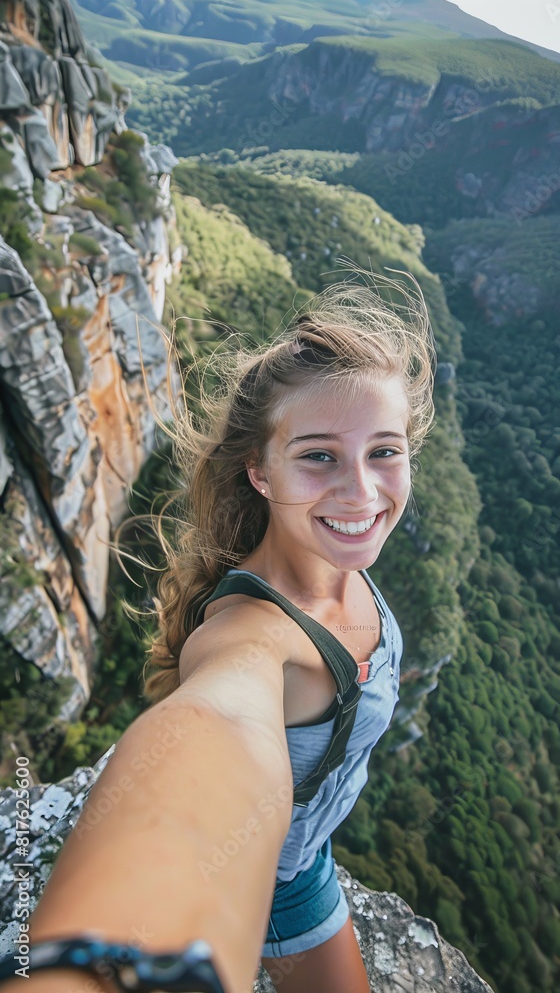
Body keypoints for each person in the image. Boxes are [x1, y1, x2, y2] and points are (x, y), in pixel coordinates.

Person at [0, 269, 435, 993]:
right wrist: (105, 960)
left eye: (384, 451)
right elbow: (217, 726)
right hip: (283, 888)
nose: (362, 490)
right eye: (319, 455)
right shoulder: (251, 631)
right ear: (260, 473)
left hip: (311, 852)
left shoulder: (337, 560)